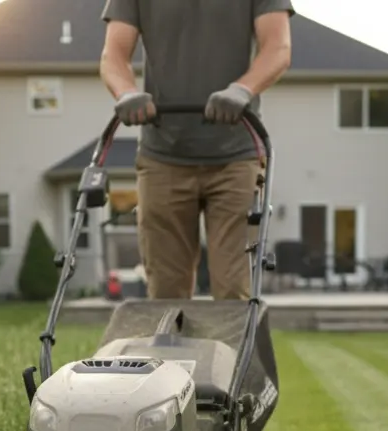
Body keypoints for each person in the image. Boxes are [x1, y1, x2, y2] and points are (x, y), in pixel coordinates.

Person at [99, 0, 294, 301]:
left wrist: (242, 89)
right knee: (165, 292)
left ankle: (235, 349)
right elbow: (113, 54)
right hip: (163, 156)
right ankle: (168, 349)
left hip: (236, 156)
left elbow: (277, 48)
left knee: (234, 289)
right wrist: (127, 92)